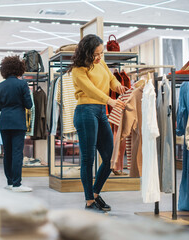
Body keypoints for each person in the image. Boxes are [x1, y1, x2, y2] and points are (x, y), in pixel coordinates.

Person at [70, 34, 126, 211]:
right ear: (87, 52)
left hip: (101, 112)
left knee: (110, 157)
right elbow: (90, 90)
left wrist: (117, 86)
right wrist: (110, 101)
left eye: (101, 53)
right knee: (88, 159)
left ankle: (94, 194)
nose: (99, 57)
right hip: (86, 111)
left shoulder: (101, 62)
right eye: (96, 54)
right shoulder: (78, 69)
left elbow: (110, 78)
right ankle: (89, 201)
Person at [0, 55, 33, 192]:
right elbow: (29, 105)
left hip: (4, 122)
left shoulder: (0, 86)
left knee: (8, 153)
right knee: (17, 153)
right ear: (19, 68)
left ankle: (10, 182)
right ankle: (17, 184)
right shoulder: (22, 84)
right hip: (18, 122)